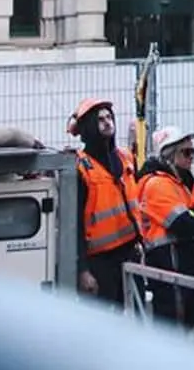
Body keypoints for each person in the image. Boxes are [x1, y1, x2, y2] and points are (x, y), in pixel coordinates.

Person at [137, 126, 194, 329]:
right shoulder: (157, 184)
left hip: (183, 267)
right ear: (170, 155)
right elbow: (185, 225)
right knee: (172, 328)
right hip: (169, 268)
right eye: (186, 152)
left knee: (186, 321)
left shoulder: (182, 183)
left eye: (193, 152)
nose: (191, 157)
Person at [68, 98, 144, 308]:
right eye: (100, 119)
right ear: (89, 126)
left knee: (136, 315)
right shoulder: (81, 167)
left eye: (109, 117)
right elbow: (74, 225)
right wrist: (83, 270)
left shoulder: (125, 158)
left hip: (130, 254)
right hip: (100, 262)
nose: (107, 122)